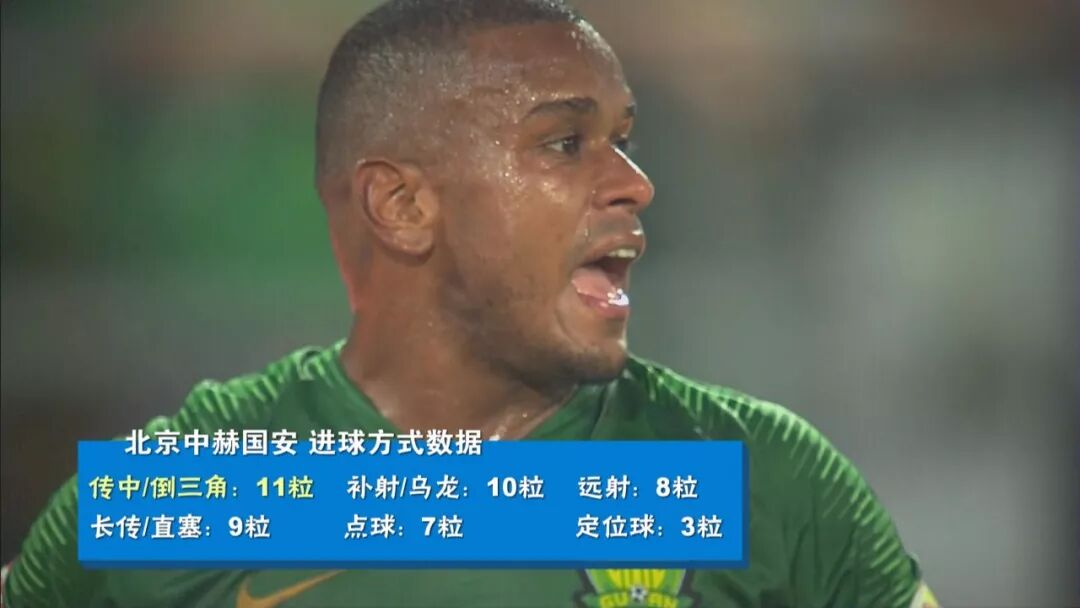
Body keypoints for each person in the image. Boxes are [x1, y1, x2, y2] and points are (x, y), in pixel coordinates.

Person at [2, 1, 938, 606]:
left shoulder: (757, 480)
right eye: (565, 144)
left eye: (625, 138)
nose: (635, 183)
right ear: (402, 206)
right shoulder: (188, 498)